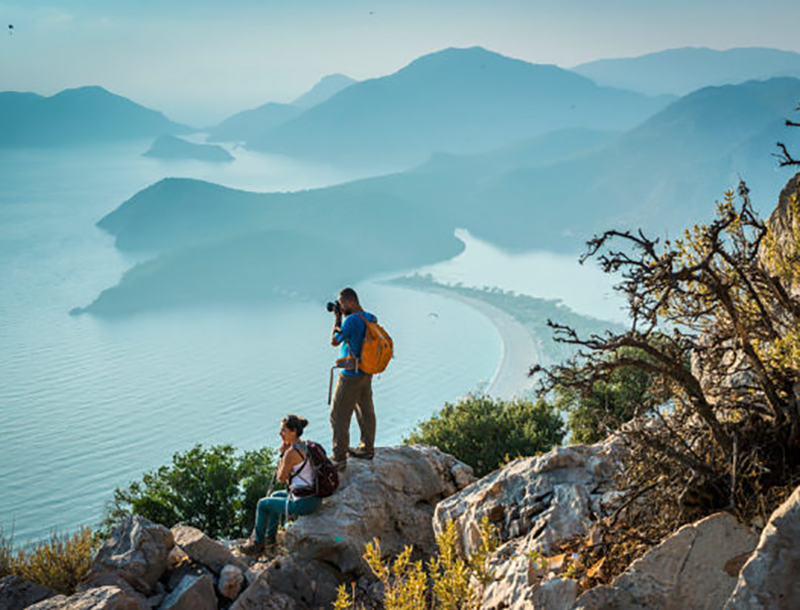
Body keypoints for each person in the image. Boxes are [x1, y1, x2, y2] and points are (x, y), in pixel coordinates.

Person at [242, 415, 322, 554]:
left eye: (283, 430)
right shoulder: (307, 446)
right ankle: (270, 539)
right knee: (275, 495)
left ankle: (258, 544)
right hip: (315, 497)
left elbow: (281, 478)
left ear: (293, 432)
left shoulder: (291, 453)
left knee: (262, 504)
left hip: (303, 503)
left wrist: (282, 455)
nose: (280, 434)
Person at [330, 287, 377, 470]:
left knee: (338, 415)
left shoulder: (350, 321)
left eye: (342, 303)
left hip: (350, 375)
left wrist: (337, 319)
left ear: (350, 302)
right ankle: (367, 448)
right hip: (366, 371)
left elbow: (335, 341)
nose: (341, 307)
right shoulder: (370, 317)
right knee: (365, 410)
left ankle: (339, 459)